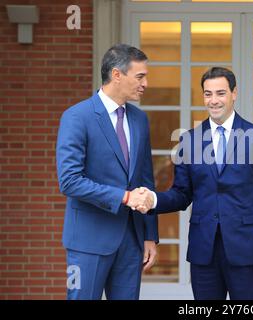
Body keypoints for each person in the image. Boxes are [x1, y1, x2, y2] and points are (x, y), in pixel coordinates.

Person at [147, 67, 253, 300]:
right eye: (208, 94)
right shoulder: (188, 140)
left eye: (220, 93)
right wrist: (153, 199)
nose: (214, 100)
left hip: (247, 249)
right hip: (204, 252)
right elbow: (181, 193)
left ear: (234, 94)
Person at [56, 44, 158, 300]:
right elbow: (69, 181)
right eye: (140, 77)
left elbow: (145, 180)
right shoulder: (76, 117)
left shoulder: (139, 120)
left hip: (131, 241)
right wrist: (124, 197)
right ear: (116, 75)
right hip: (87, 243)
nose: (145, 83)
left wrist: (150, 236)